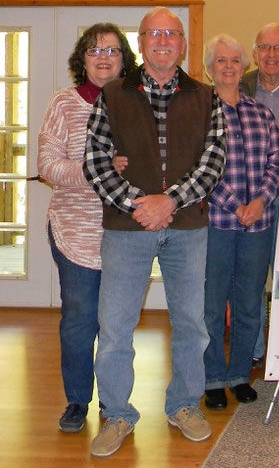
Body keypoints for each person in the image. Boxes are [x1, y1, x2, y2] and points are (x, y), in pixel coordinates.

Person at [83, 6, 226, 457]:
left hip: (188, 228)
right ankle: (116, 414)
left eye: (172, 34)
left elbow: (214, 160)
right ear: (140, 43)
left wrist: (171, 201)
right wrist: (137, 204)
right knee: (115, 329)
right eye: (153, 34)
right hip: (127, 229)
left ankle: (184, 405)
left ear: (183, 44)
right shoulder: (113, 94)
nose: (163, 41)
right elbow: (95, 160)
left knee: (191, 324)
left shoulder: (207, 97)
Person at [37, 23, 136, 433]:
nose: (103, 57)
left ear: (124, 60)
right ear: (83, 58)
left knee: (117, 325)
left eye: (112, 51)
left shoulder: (140, 102)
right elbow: (47, 166)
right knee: (80, 320)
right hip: (75, 233)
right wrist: (96, 171)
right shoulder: (64, 103)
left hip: (127, 233)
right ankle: (77, 400)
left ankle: (115, 406)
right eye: (95, 50)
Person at [202, 34, 279, 410]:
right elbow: (197, 168)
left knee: (250, 302)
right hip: (217, 223)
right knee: (213, 305)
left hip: (258, 226)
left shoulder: (260, 113)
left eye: (235, 60)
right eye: (221, 61)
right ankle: (213, 377)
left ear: (243, 66)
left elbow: (276, 162)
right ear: (210, 68)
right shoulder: (200, 112)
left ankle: (239, 375)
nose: (229, 66)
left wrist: (261, 200)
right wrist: (238, 206)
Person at [240, 23, 279, 366]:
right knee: (253, 276)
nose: (271, 55)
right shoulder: (239, 87)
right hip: (252, 197)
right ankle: (255, 350)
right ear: (255, 53)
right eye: (265, 48)